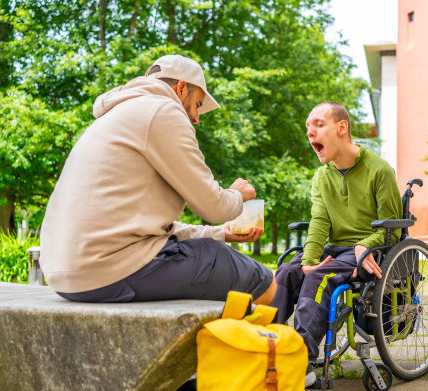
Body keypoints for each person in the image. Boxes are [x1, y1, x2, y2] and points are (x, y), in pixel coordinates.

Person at [40, 54, 276, 305]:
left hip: (66, 276)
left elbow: (150, 231)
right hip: (107, 270)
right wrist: (239, 194)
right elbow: (214, 206)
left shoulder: (117, 115)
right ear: (181, 87)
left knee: (213, 255)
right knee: (262, 281)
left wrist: (220, 234)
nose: (196, 118)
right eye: (197, 104)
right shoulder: (163, 110)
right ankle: (273, 344)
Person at [270, 101, 402, 387]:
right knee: (285, 273)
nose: (310, 132)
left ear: (342, 128)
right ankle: (269, 353)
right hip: (336, 249)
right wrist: (308, 261)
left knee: (320, 276)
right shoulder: (321, 176)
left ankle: (301, 362)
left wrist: (364, 245)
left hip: (368, 254)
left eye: (318, 124)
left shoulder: (380, 170)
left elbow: (392, 228)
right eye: (308, 127)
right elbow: (319, 223)